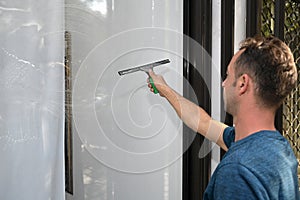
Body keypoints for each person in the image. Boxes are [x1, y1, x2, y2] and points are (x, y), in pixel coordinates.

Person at [147, 36, 299, 200]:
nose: (223, 83)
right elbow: (205, 123)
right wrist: (165, 90)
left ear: (242, 84)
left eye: (228, 75)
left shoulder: (237, 172)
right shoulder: (276, 147)